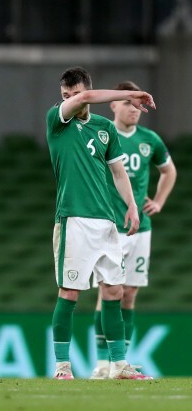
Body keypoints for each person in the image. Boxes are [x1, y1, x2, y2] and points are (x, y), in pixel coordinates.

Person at [47, 66, 154, 380]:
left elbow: (119, 174)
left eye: (75, 94)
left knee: (114, 291)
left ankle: (119, 365)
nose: (71, 100)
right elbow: (91, 96)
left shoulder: (105, 128)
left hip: (106, 221)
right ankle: (62, 367)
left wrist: (133, 207)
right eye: (66, 96)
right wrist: (131, 95)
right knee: (69, 293)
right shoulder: (57, 120)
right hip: (73, 219)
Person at [90, 81, 177, 379]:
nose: (134, 109)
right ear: (113, 105)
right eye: (127, 102)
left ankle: (121, 362)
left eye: (137, 104)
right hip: (108, 226)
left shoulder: (149, 140)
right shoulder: (103, 137)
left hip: (140, 228)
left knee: (129, 294)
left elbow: (169, 170)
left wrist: (160, 201)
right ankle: (103, 362)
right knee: (107, 291)